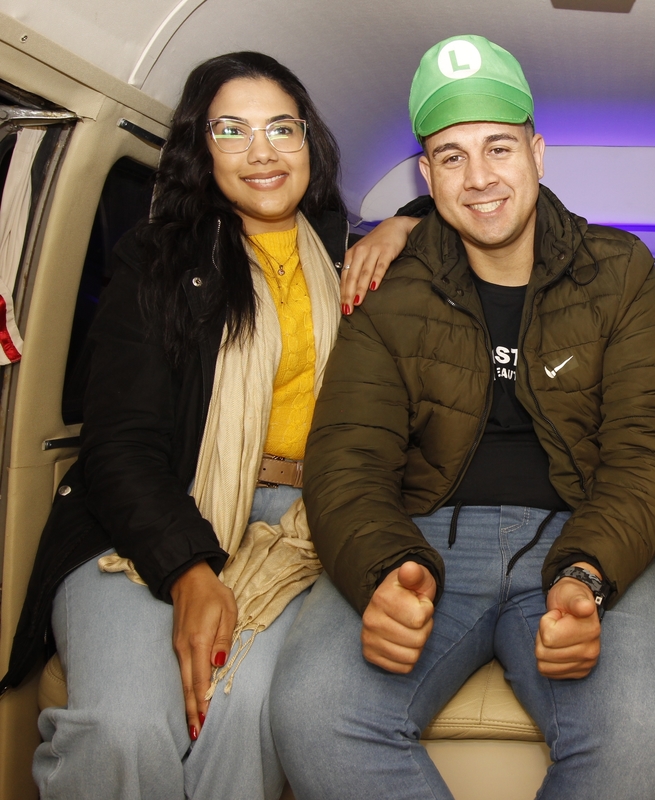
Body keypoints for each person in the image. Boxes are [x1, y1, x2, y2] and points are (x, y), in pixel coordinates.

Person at [269, 35, 655, 800]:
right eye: (452, 156)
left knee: (646, 734)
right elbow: (347, 456)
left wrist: (588, 575)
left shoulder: (621, 271)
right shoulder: (389, 285)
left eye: (498, 147)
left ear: (537, 153)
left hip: (584, 532)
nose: (479, 178)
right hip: (422, 535)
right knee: (313, 714)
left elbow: (648, 451)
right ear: (427, 176)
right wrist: (381, 568)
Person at [0, 51, 410, 800]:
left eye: (281, 128)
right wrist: (190, 571)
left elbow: (496, 200)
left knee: (246, 712)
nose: (262, 152)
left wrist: (404, 224)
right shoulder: (157, 258)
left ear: (309, 141)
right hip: (149, 512)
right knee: (125, 726)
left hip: (303, 526)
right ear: (201, 146)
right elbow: (119, 445)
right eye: (232, 130)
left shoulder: (341, 252)